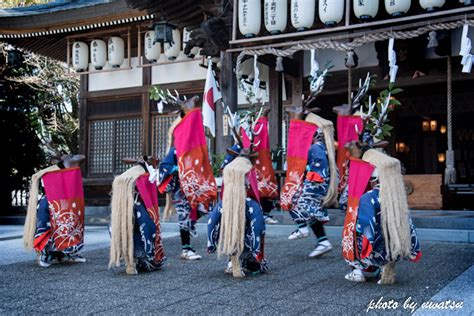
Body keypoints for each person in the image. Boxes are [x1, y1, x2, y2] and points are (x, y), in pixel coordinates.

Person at [158, 95, 217, 260]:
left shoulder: (193, 148)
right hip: (180, 188)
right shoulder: (176, 150)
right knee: (184, 215)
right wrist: (179, 168)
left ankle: (191, 225)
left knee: (205, 208)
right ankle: (186, 249)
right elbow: (164, 167)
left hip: (194, 185)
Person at [281, 113, 338, 258]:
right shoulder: (321, 147)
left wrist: (308, 180)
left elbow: (319, 167)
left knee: (290, 197)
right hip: (317, 183)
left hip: (315, 184)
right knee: (310, 211)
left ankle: (301, 228)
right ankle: (323, 241)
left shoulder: (316, 148)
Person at [207, 154, 268, 277]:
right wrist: (256, 250)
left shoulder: (223, 204)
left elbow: (211, 222)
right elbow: (258, 225)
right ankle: (247, 260)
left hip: (229, 242)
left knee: (229, 226)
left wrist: (211, 243)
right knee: (258, 266)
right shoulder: (251, 204)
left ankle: (232, 260)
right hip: (247, 247)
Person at [23, 154, 86, 267]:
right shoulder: (51, 172)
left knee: (71, 227)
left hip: (67, 200)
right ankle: (44, 255)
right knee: (47, 227)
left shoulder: (71, 165)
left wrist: (63, 156)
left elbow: (82, 157)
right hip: (51, 201)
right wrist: (62, 157)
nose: (73, 156)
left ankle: (65, 255)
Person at [109, 157, 165, 274]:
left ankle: (133, 261)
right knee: (143, 226)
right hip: (132, 211)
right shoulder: (140, 176)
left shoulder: (140, 175)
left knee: (135, 228)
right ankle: (136, 259)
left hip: (132, 210)